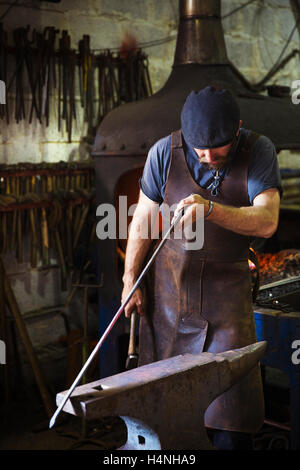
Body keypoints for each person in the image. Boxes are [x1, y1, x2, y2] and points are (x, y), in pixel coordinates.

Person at [121, 86, 282, 450]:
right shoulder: (164, 151)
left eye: (218, 147)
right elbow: (143, 221)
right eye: (199, 149)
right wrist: (130, 278)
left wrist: (209, 208)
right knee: (166, 414)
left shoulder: (259, 150)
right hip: (169, 300)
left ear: (237, 129)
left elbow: (268, 221)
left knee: (230, 421)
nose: (208, 156)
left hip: (227, 301)